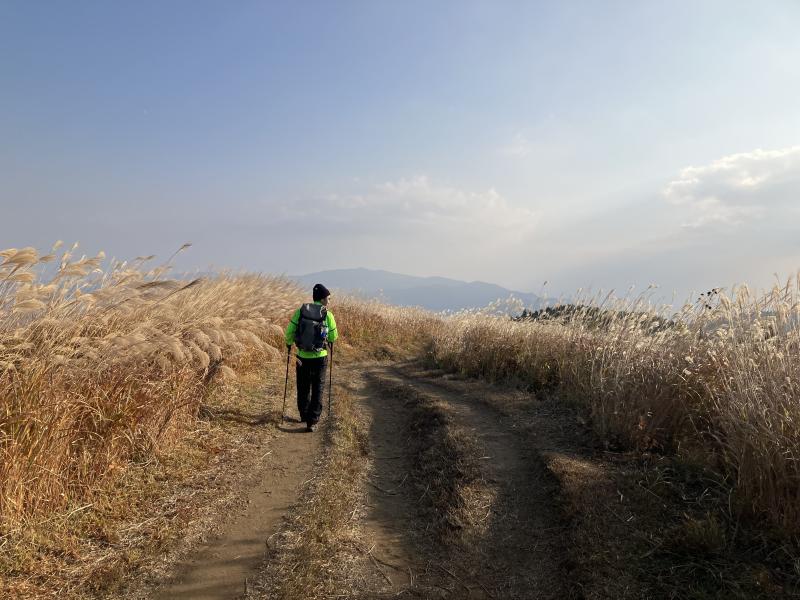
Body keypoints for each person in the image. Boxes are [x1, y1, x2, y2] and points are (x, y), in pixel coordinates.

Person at [284, 283, 339, 432]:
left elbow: (289, 332)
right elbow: (333, 336)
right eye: (328, 298)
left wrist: (289, 344)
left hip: (302, 356)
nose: (329, 301)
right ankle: (312, 421)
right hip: (320, 357)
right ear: (322, 299)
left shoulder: (300, 311)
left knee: (303, 386)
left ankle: (303, 414)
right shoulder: (327, 314)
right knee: (318, 387)